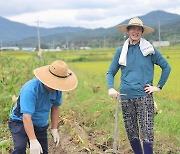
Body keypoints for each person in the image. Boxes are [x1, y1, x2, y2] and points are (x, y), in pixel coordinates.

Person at [106, 17, 171, 154]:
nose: (135, 32)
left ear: (142, 32)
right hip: (125, 97)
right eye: (133, 29)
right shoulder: (121, 51)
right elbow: (110, 72)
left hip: (144, 96)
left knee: (147, 132)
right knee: (131, 132)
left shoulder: (149, 50)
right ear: (128, 31)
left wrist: (158, 87)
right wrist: (111, 87)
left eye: (138, 29)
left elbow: (166, 67)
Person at [8, 60, 78, 154]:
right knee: (20, 148)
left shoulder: (57, 90)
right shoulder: (30, 89)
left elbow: (55, 108)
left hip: (40, 124)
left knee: (42, 151)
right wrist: (33, 140)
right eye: (53, 84)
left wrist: (54, 128)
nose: (55, 87)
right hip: (20, 121)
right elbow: (26, 117)